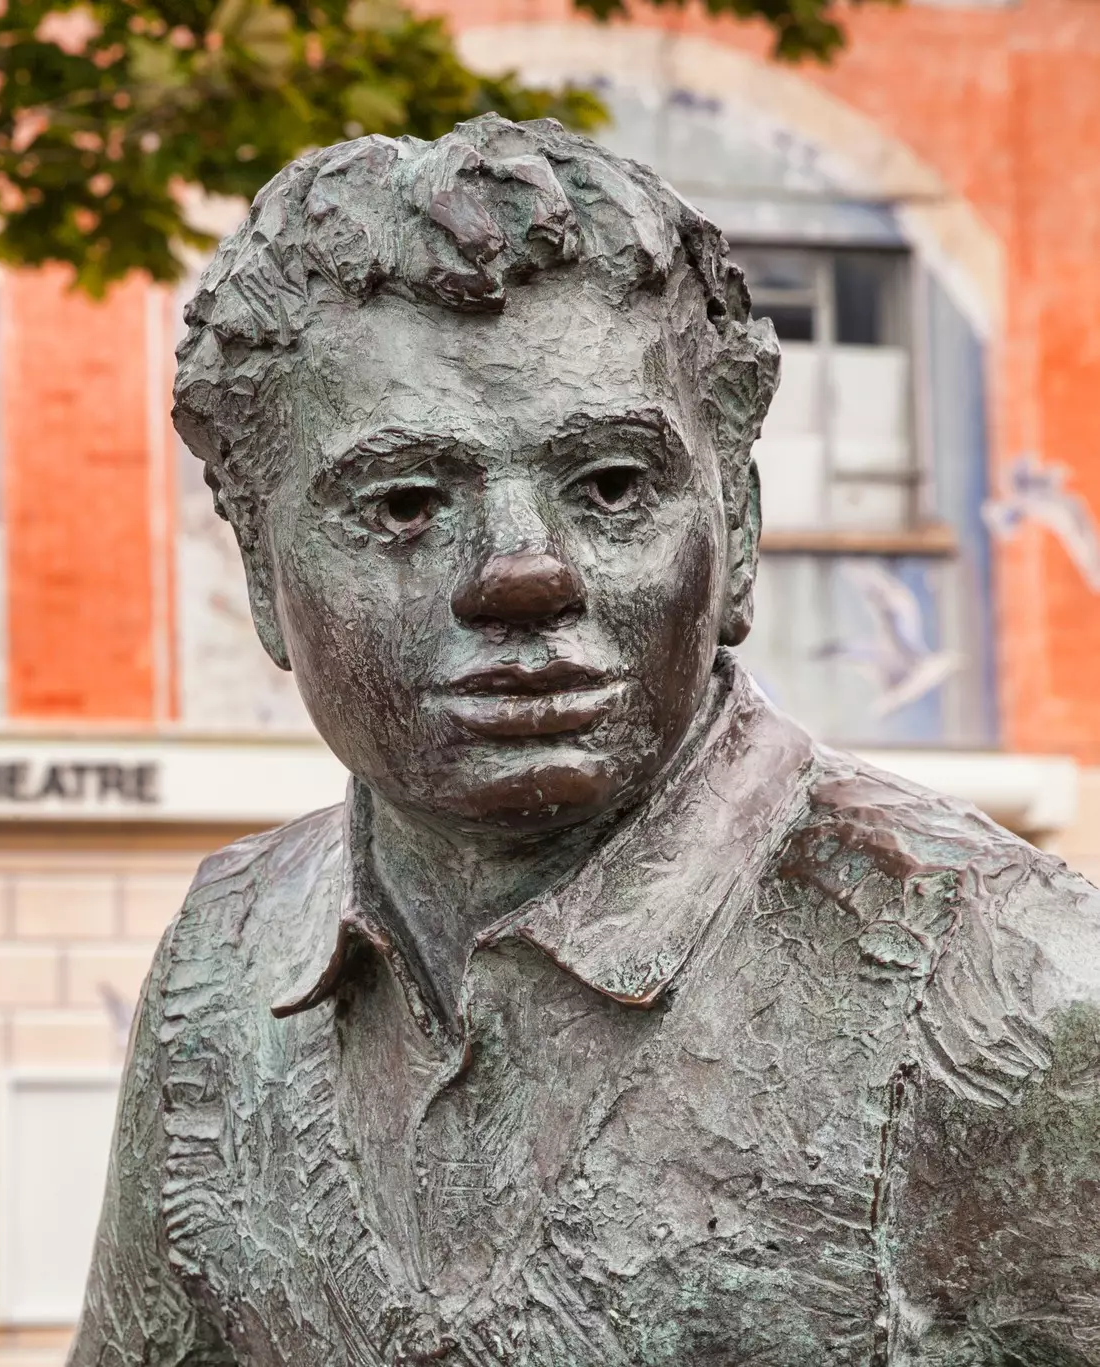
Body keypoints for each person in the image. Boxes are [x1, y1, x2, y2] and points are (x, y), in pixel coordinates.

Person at [72, 115, 1100, 1365]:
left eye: (611, 485)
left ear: (737, 530)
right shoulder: (220, 964)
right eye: (402, 503)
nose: (520, 576)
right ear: (258, 571)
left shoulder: (1013, 988)